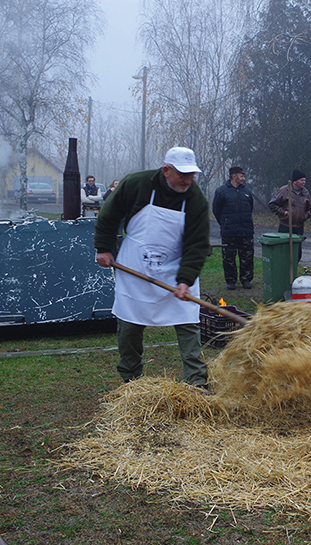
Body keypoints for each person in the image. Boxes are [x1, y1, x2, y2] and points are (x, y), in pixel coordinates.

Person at [94, 146, 211, 391]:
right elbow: (108, 215)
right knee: (130, 323)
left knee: (188, 321)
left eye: (192, 175)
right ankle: (131, 381)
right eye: (183, 174)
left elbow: (196, 244)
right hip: (135, 266)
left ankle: (196, 382)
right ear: (166, 170)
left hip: (175, 267)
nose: (188, 180)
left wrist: (185, 279)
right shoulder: (137, 184)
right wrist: (104, 248)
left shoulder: (195, 199)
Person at [212, 166, 254, 290]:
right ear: (234, 176)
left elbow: (250, 207)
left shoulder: (247, 191)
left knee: (247, 257)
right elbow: (216, 210)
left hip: (246, 231)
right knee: (228, 258)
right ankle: (231, 281)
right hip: (229, 232)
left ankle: (246, 279)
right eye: (241, 176)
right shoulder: (221, 191)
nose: (243, 179)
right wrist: (225, 223)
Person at [269, 170, 311, 261]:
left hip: (299, 227)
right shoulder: (284, 190)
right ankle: (284, 272)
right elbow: (272, 204)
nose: (304, 182)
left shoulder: (305, 192)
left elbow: (310, 208)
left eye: (304, 180)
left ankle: (294, 272)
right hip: (285, 226)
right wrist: (283, 213)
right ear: (295, 181)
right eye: (302, 180)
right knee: (284, 252)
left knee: (297, 254)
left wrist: (305, 216)